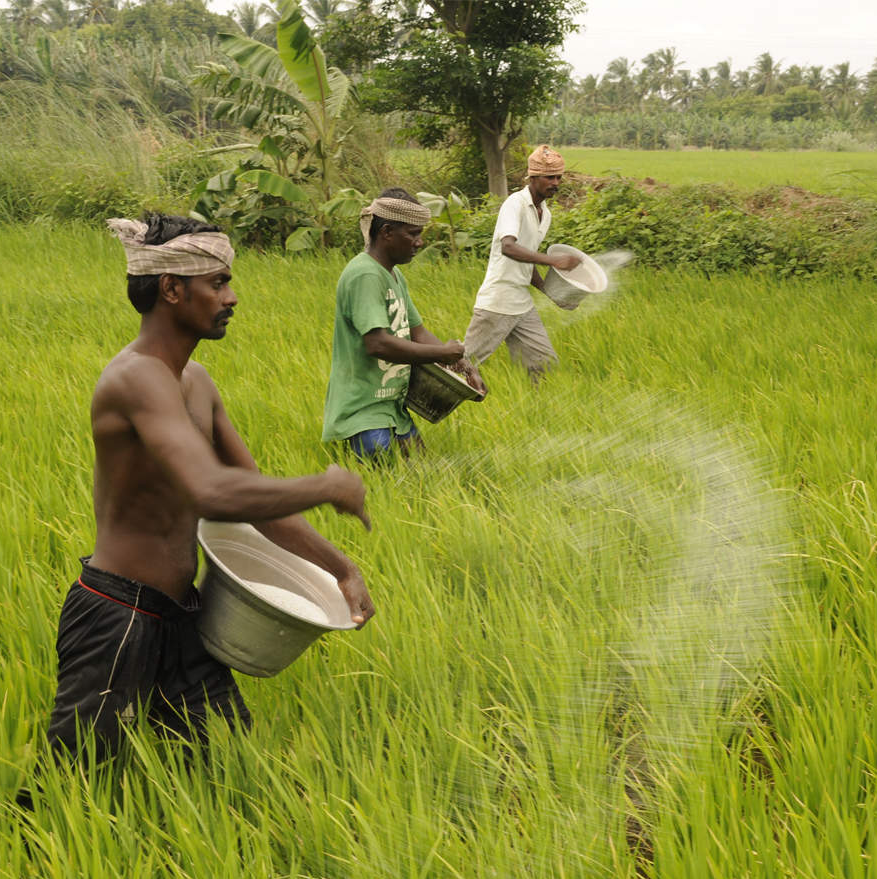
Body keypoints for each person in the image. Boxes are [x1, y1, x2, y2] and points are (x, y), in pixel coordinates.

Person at [45, 213, 375, 761]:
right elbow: (210, 492)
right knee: (78, 777)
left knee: (219, 762)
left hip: (183, 613)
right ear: (172, 289)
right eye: (217, 283)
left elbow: (252, 496)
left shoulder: (195, 381)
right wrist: (325, 485)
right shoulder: (136, 378)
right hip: (118, 615)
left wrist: (340, 568)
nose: (232, 297)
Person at [321, 188, 485, 461]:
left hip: (392, 406)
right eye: (413, 234)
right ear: (386, 232)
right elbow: (378, 344)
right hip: (363, 410)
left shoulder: (393, 274)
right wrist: (443, 353)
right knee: (385, 476)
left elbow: (417, 332)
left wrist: (465, 368)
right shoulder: (364, 275)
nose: (419, 243)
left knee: (419, 476)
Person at [463, 144, 581, 380]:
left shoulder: (545, 213)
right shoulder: (515, 204)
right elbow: (509, 247)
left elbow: (527, 261)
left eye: (559, 177)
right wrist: (553, 261)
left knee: (544, 364)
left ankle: (538, 410)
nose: (556, 182)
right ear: (533, 177)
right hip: (498, 300)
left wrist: (553, 293)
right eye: (550, 177)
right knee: (462, 365)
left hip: (521, 303)